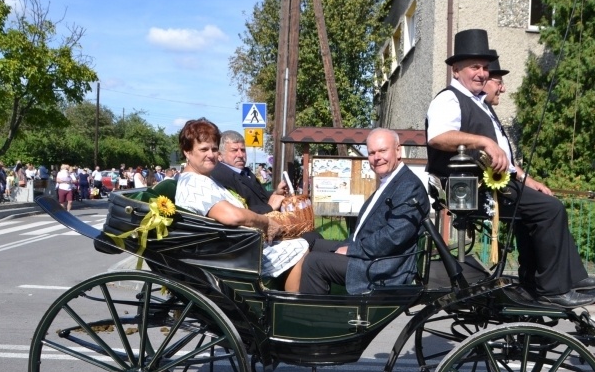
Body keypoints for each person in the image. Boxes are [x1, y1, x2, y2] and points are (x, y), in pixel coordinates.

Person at [425, 29, 595, 308]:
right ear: (456, 69)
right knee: (550, 210)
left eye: (485, 68)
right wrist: (484, 141)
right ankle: (552, 288)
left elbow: (504, 159)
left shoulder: (479, 103)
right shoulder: (449, 99)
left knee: (545, 203)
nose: (482, 73)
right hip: (473, 190)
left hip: (496, 182)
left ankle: (553, 278)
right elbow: (437, 136)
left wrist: (527, 179)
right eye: (475, 67)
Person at [175, 118, 308, 292]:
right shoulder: (194, 183)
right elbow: (233, 216)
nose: (211, 154)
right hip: (228, 257)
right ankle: (289, 306)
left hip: (233, 247)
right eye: (203, 149)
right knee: (300, 246)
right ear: (187, 152)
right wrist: (265, 222)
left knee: (299, 241)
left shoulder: (204, 179)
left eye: (214, 149)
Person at [299, 128, 429, 295]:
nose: (377, 157)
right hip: (369, 252)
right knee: (310, 240)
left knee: (314, 262)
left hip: (383, 266)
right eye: (372, 153)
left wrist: (353, 250)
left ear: (398, 150)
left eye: (382, 150)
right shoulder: (390, 181)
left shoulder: (409, 186)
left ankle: (313, 319)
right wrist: (352, 246)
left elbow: (394, 236)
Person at [210, 130, 287, 214]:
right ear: (220, 156)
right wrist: (269, 207)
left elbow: (261, 197)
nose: (240, 155)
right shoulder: (221, 176)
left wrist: (276, 192)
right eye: (234, 150)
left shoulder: (245, 172)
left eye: (242, 150)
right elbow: (236, 212)